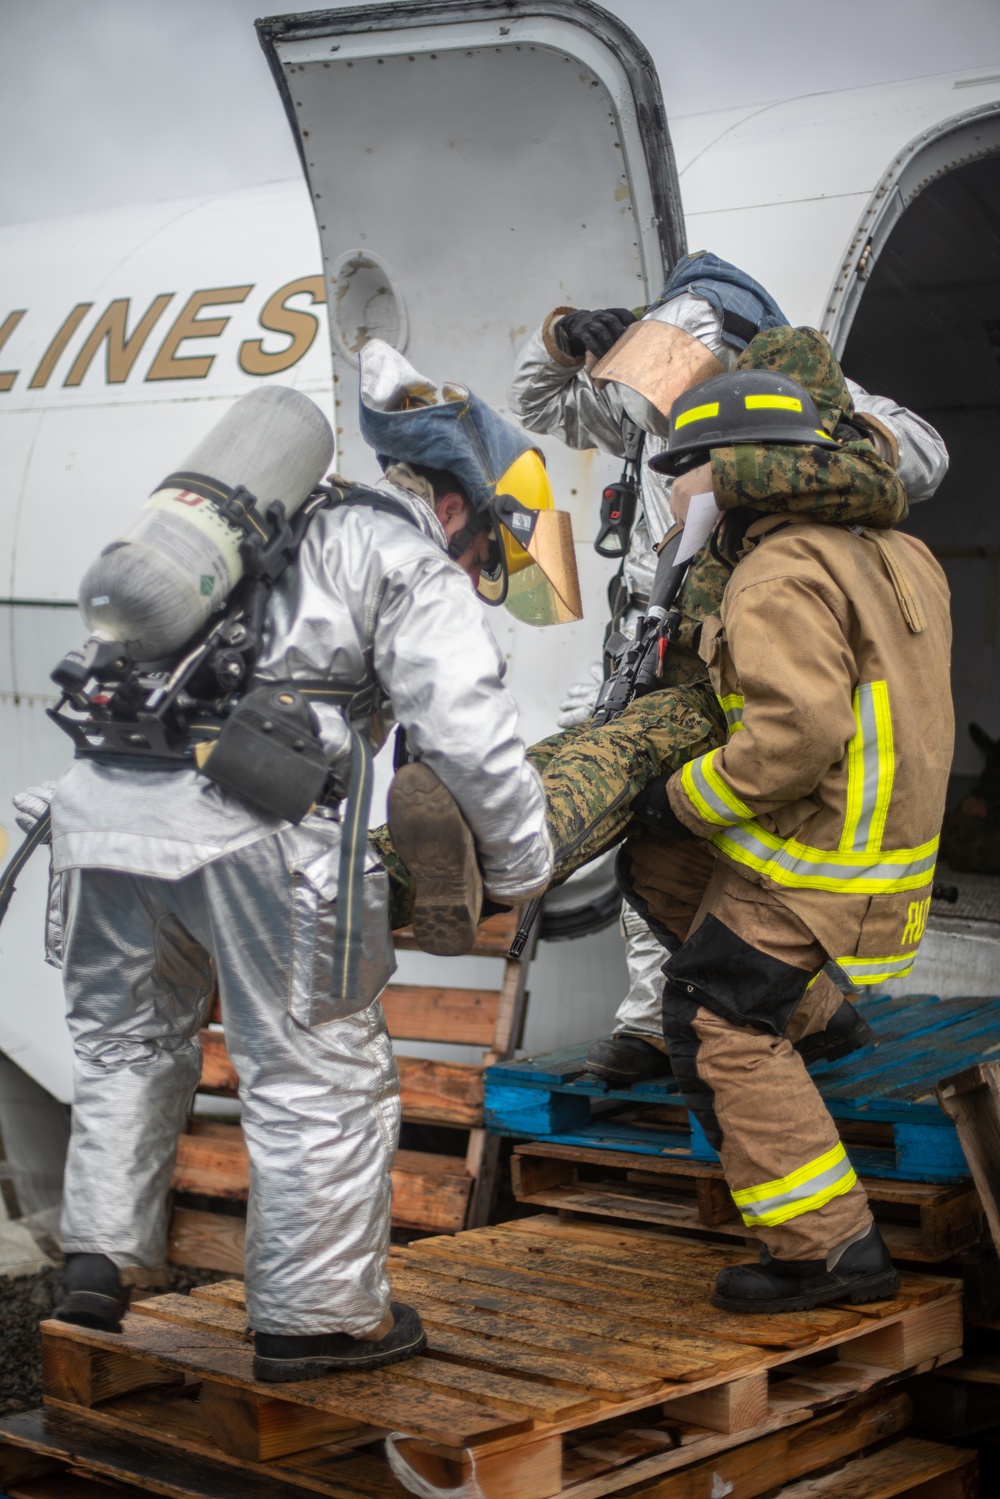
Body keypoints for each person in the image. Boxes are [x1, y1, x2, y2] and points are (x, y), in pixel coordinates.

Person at [21, 341, 578, 1381]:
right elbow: (470, 735)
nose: (476, 572)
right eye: (485, 550)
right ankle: (315, 1320)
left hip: (99, 812)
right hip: (253, 826)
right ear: (456, 505)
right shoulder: (398, 554)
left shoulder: (250, 536)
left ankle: (101, 1259)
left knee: (126, 1043)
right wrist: (522, 863)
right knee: (316, 1068)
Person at [507, 250, 949, 1086]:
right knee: (648, 828)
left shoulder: (797, 396)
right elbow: (536, 400)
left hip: (751, 639)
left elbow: (923, 452)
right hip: (654, 636)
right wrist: (563, 339)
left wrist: (809, 438)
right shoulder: (645, 413)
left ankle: (725, 1016)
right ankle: (653, 1022)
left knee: (718, 821)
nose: (666, 415)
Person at [621, 325, 953, 1310]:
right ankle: (821, 1018)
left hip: (819, 857)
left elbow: (793, 736)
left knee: (714, 1018)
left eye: (689, 471)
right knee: (661, 870)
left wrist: (681, 794)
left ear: (733, 473)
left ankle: (826, 1250)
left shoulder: (776, 572)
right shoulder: (897, 549)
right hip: (881, 846)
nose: (680, 493)